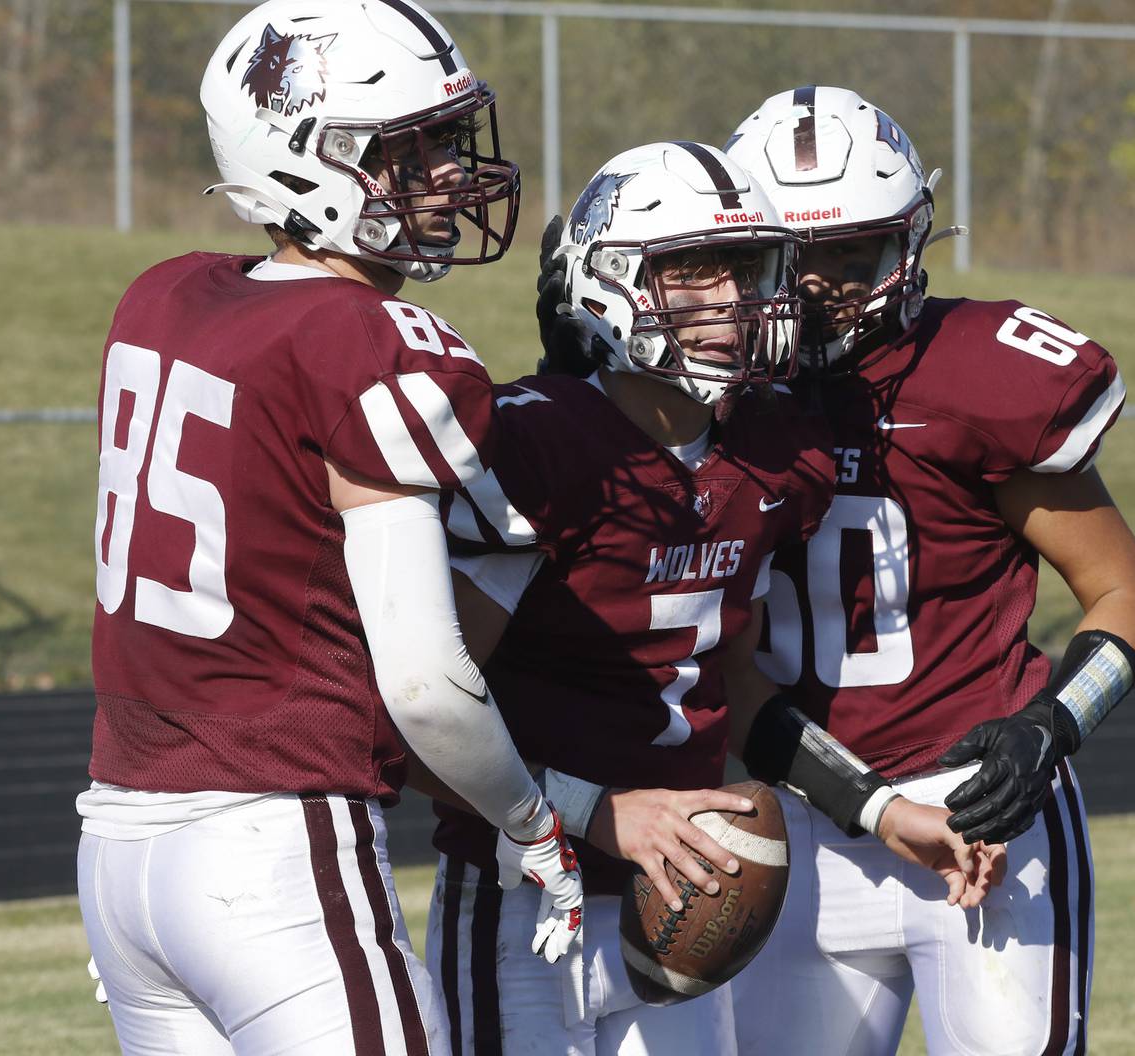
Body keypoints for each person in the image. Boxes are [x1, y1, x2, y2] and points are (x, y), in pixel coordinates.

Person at [77, 3, 580, 1053]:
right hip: (274, 845)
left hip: (118, 847)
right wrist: (535, 826)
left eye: (447, 141)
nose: (448, 174)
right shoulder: (367, 341)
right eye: (408, 150)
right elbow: (425, 685)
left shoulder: (164, 298)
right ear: (306, 162)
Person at [424, 141, 1001, 1056]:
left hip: (690, 902)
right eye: (693, 272)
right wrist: (598, 811)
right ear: (610, 282)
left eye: (746, 270)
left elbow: (735, 685)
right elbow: (418, 715)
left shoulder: (774, 455)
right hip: (526, 906)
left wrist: (886, 813)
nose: (733, 301)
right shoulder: (534, 446)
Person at [722, 86, 1135, 1056]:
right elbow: (716, 653)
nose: (824, 287)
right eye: (797, 260)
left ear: (914, 240)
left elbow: (1127, 591)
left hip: (983, 811)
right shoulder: (710, 396)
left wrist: (1052, 725)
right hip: (795, 819)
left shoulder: (977, 376)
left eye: (856, 252)